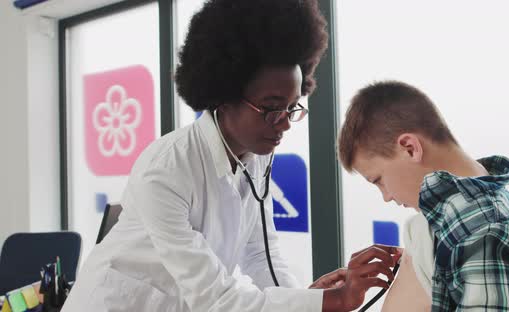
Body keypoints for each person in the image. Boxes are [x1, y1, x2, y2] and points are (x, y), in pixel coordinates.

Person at [62, 1, 402, 311]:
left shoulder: (255, 160)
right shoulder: (165, 170)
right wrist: (332, 302)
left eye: (292, 107)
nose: (284, 123)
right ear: (224, 98)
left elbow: (260, 257)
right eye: (270, 109)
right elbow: (216, 298)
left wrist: (308, 300)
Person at [337, 81, 509, 311]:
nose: (386, 197)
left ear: (410, 148)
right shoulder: (451, 215)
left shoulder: (482, 230)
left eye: (378, 180)